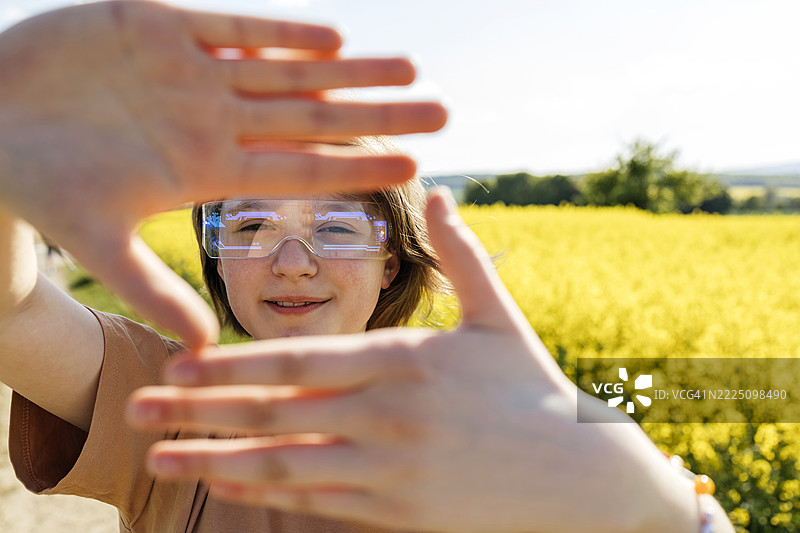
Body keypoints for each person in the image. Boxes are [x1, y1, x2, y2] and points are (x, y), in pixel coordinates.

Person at [0, 2, 736, 532]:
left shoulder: (502, 442)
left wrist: (661, 510)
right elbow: (10, 309)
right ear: (217, 256)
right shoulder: (172, 407)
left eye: (339, 227)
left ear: (391, 260)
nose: (292, 262)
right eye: (251, 224)